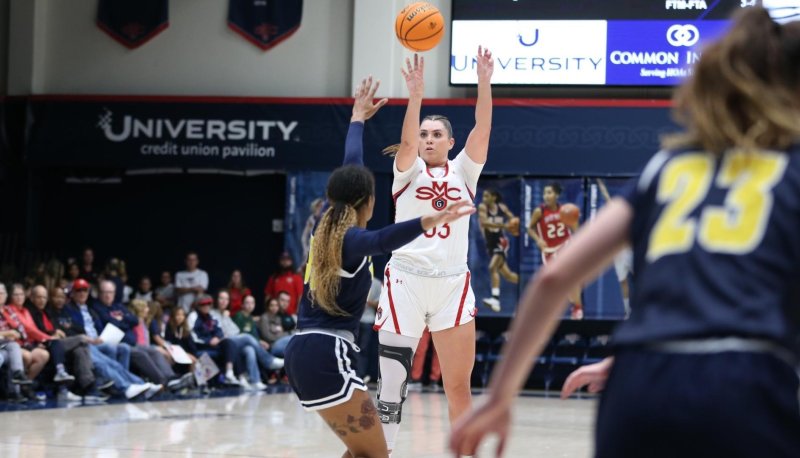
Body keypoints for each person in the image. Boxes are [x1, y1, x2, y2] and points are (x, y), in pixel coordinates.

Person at [450, 8, 800, 457]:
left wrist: (500, 397)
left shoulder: (667, 168)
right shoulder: (791, 172)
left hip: (641, 380)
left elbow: (554, 279)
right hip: (746, 380)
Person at [284, 75, 475, 458]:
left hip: (302, 352)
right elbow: (383, 240)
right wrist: (429, 221)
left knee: (362, 452)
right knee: (376, 453)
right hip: (327, 354)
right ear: (365, 203)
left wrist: (357, 118)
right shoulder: (352, 239)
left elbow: (350, 163)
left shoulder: (331, 224)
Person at [373, 48, 492, 455]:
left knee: (458, 386)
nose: (427, 139)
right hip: (405, 278)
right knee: (392, 385)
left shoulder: (465, 170)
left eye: (436, 134)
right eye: (424, 134)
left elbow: (483, 129)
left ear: (450, 142)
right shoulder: (408, 170)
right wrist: (416, 95)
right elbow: (405, 139)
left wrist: (483, 83)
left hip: (452, 285)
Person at [526, 181, 584, 319]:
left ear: (557, 195)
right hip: (549, 250)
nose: (546, 196)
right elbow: (529, 228)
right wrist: (538, 239)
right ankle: (563, 305)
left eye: (549, 193)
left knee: (571, 278)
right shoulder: (539, 211)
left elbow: (575, 228)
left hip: (565, 246)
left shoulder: (565, 209)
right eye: (545, 193)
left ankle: (577, 308)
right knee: (556, 282)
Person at [596, 178, 634, 318]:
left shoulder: (636, 214)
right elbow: (608, 199)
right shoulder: (618, 214)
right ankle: (627, 311)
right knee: (623, 282)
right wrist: (601, 186)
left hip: (631, 251)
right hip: (619, 253)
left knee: (641, 280)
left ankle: (642, 311)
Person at [477, 188, 519, 312]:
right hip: (490, 243)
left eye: (486, 196)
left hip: (501, 242)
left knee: (492, 267)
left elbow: (513, 219)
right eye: (483, 196)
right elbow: (484, 223)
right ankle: (528, 283)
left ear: (493, 197)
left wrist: (514, 226)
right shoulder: (483, 207)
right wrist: (504, 226)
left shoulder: (502, 208)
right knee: (508, 276)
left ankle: (495, 299)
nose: (484, 199)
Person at [263, 252, 303, 317]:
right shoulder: (273, 278)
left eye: (287, 260)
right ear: (279, 261)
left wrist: (298, 311)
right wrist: (267, 310)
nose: (285, 262)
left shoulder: (297, 278)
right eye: (283, 259)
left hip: (291, 313)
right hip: (275, 314)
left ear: (291, 261)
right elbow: (268, 296)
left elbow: (300, 297)